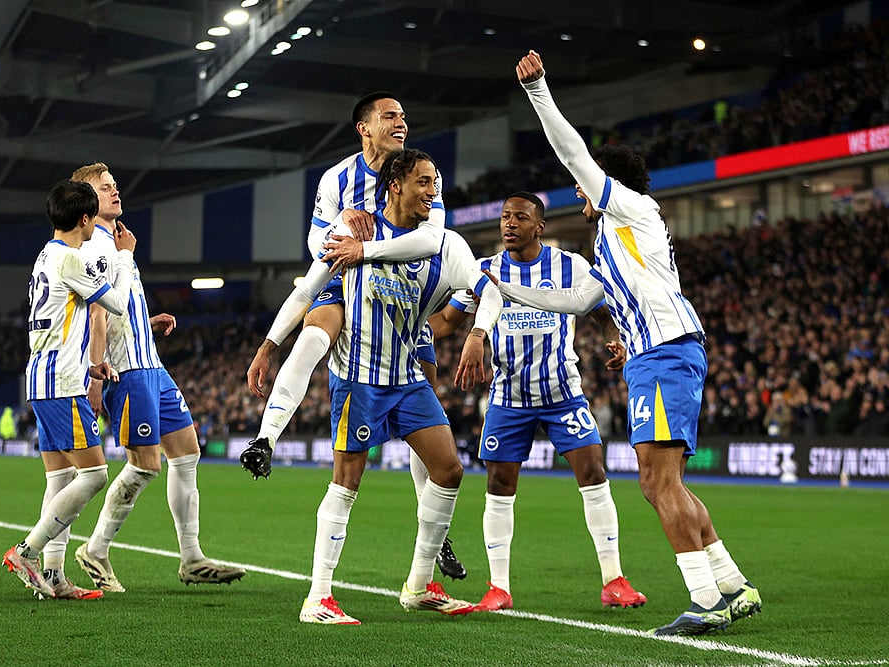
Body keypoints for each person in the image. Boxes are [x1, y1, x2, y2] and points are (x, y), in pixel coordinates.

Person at [464, 51, 762, 636]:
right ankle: (732, 585)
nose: (579, 189)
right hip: (656, 354)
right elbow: (578, 303)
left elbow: (573, 151)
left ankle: (705, 601)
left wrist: (539, 91)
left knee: (658, 483)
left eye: (585, 183)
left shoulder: (631, 205)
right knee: (662, 482)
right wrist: (507, 288)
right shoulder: (610, 241)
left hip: (666, 353)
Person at [248, 149, 499, 624]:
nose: (433, 192)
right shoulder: (352, 234)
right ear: (395, 184)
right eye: (424, 182)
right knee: (348, 480)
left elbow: (489, 291)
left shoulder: (447, 244)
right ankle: (318, 596)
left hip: (407, 377)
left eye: (436, 183)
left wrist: (478, 333)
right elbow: (306, 291)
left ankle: (419, 584)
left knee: (448, 470)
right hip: (359, 378)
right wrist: (268, 345)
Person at [243, 91, 465, 580]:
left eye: (405, 116)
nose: (401, 122)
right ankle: (266, 438)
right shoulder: (337, 178)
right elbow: (315, 243)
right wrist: (346, 229)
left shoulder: (423, 173)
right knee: (317, 333)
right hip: (348, 273)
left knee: (424, 401)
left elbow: (434, 237)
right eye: (390, 116)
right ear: (364, 127)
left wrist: (371, 245)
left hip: (403, 291)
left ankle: (434, 527)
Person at [442, 191, 646, 612]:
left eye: (520, 217)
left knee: (593, 471)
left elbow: (603, 304)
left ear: (540, 227)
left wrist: (618, 335)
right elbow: (449, 317)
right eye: (504, 216)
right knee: (499, 485)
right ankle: (498, 587)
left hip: (563, 394)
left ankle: (614, 579)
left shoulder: (570, 266)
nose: (509, 224)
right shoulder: (483, 271)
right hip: (508, 396)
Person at [71, 163, 245, 592]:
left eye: (114, 184)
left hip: (152, 366)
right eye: (103, 188)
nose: (114, 190)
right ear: (86, 202)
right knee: (145, 465)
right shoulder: (97, 246)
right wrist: (95, 379)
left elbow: (117, 311)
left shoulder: (117, 242)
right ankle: (95, 549)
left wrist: (145, 322)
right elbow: (95, 312)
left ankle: (191, 558)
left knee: (186, 453)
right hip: (125, 372)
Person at [2, 179, 137, 599]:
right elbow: (117, 303)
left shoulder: (47, 254)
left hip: (44, 375)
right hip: (62, 381)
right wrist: (125, 256)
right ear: (85, 219)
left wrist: (92, 362)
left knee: (61, 478)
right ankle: (28, 551)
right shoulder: (72, 260)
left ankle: (56, 577)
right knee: (95, 474)